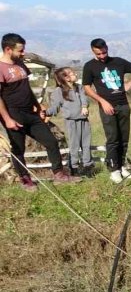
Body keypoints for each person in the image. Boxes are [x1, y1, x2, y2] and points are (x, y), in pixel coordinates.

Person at [0, 33, 80, 191]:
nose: (23, 53)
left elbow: (26, 88)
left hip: (30, 112)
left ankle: (59, 174)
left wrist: (37, 105)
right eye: (20, 50)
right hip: (13, 113)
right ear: (8, 49)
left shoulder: (20, 64)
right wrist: (7, 119)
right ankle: (25, 180)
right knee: (18, 148)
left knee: (51, 141)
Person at [82, 38, 131, 184]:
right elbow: (87, 88)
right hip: (107, 107)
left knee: (124, 139)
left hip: (123, 105)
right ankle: (113, 170)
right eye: (98, 54)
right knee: (113, 139)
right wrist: (102, 101)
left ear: (107, 48)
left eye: (104, 53)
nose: (102, 56)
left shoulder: (118, 62)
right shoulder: (89, 66)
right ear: (93, 51)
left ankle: (122, 166)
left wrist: (129, 84)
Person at [47, 67, 93, 176]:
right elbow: (55, 107)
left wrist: (84, 106)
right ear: (66, 78)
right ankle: (74, 167)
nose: (75, 74)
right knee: (74, 145)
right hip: (71, 122)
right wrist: (46, 112)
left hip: (84, 120)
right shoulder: (58, 92)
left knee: (86, 144)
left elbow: (84, 99)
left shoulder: (79, 87)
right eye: (72, 73)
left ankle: (88, 166)